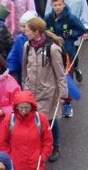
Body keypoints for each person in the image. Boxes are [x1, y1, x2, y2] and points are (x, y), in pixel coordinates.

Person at [22, 17, 65, 162]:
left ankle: (55, 146)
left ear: (36, 32)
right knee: (35, 121)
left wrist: (63, 94)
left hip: (48, 92)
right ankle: (40, 146)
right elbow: (25, 68)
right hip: (31, 92)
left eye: (27, 30)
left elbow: (60, 73)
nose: (25, 32)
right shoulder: (27, 46)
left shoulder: (52, 49)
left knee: (49, 120)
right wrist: (25, 87)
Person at [0, 89, 54, 170]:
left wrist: (42, 157)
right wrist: (10, 159)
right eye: (21, 108)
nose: (23, 111)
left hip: (36, 168)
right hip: (16, 169)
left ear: (32, 106)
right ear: (16, 107)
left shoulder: (41, 119)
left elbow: (48, 141)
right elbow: (2, 144)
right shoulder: (8, 120)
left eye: (26, 107)